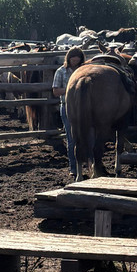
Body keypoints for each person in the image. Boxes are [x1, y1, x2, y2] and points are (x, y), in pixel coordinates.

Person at [52, 47, 85, 178]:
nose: (75, 59)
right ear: (68, 57)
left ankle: (89, 164)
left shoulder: (84, 71)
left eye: (77, 56)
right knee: (71, 138)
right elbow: (55, 91)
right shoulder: (61, 71)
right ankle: (73, 167)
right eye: (73, 56)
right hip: (67, 106)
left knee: (88, 136)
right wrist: (72, 89)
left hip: (84, 107)